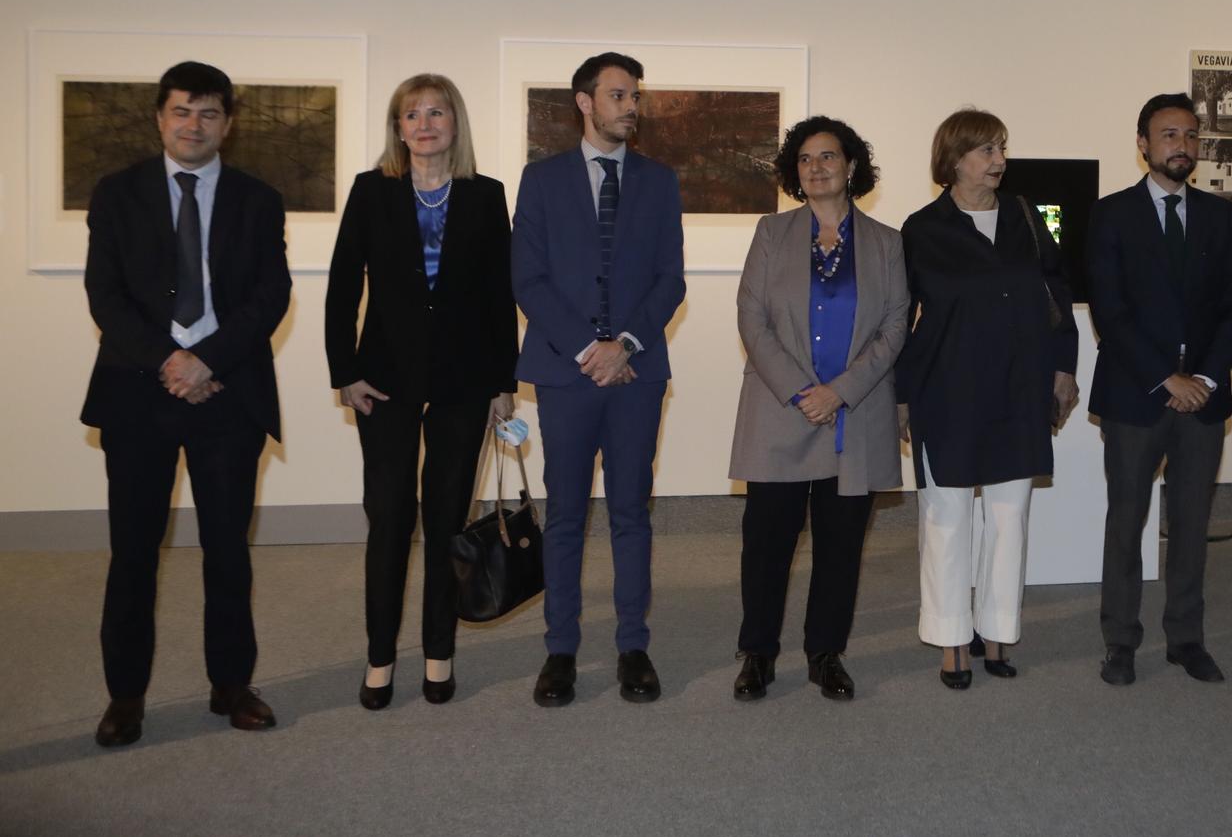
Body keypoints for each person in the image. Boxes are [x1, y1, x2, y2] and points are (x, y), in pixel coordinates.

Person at [83, 61, 291, 747]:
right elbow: (105, 296)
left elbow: (271, 294)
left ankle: (231, 684)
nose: (193, 124)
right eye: (181, 110)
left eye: (207, 113)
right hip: (139, 395)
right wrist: (170, 360)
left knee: (228, 550)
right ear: (159, 117)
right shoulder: (117, 194)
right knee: (134, 552)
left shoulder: (258, 199)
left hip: (228, 395)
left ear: (227, 123)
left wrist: (207, 358)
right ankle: (125, 696)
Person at [325, 73, 519, 710]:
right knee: (389, 519)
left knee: (444, 522)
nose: (426, 123)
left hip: (465, 382)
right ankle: (380, 658)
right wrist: (344, 370)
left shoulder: (486, 196)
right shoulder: (370, 191)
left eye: (438, 112)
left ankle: (439, 653)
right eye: (414, 114)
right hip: (384, 380)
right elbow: (342, 286)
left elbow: (499, 295)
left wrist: (502, 382)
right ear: (398, 127)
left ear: (455, 124)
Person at [512, 52, 686, 707]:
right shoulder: (541, 180)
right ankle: (560, 650)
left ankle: (632, 645)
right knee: (564, 514)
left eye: (634, 95)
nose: (631, 106)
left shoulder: (659, 181)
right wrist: (590, 347)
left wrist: (626, 344)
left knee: (629, 512)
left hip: (637, 372)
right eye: (618, 94)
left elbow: (671, 277)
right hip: (566, 371)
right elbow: (528, 278)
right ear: (585, 102)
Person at [897, 108, 1079, 689]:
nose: (999, 160)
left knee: (1009, 515)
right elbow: (900, 320)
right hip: (945, 390)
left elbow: (1058, 293)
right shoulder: (921, 228)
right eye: (986, 150)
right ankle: (952, 638)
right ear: (953, 160)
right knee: (946, 519)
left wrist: (1063, 368)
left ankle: (998, 630)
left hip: (1020, 387)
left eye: (1002, 148)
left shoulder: (1027, 217)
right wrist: (901, 398)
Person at [727, 117, 908, 702]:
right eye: (805, 159)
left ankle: (826, 654)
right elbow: (752, 318)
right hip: (782, 411)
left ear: (852, 166)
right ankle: (757, 654)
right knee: (766, 547)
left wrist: (842, 391)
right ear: (793, 172)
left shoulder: (886, 242)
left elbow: (895, 327)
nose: (817, 168)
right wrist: (803, 391)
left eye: (829, 156)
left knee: (840, 548)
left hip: (855, 418)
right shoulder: (772, 233)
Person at [1087, 92, 1232, 685]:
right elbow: (1111, 309)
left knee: (1191, 522)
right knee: (1126, 519)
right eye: (1167, 135)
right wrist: (1166, 378)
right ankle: (1121, 643)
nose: (1180, 145)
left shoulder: (1218, 216)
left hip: (1203, 398)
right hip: (1137, 394)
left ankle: (1186, 638)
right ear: (1143, 145)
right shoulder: (1111, 215)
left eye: (1189, 135)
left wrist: (1205, 378)